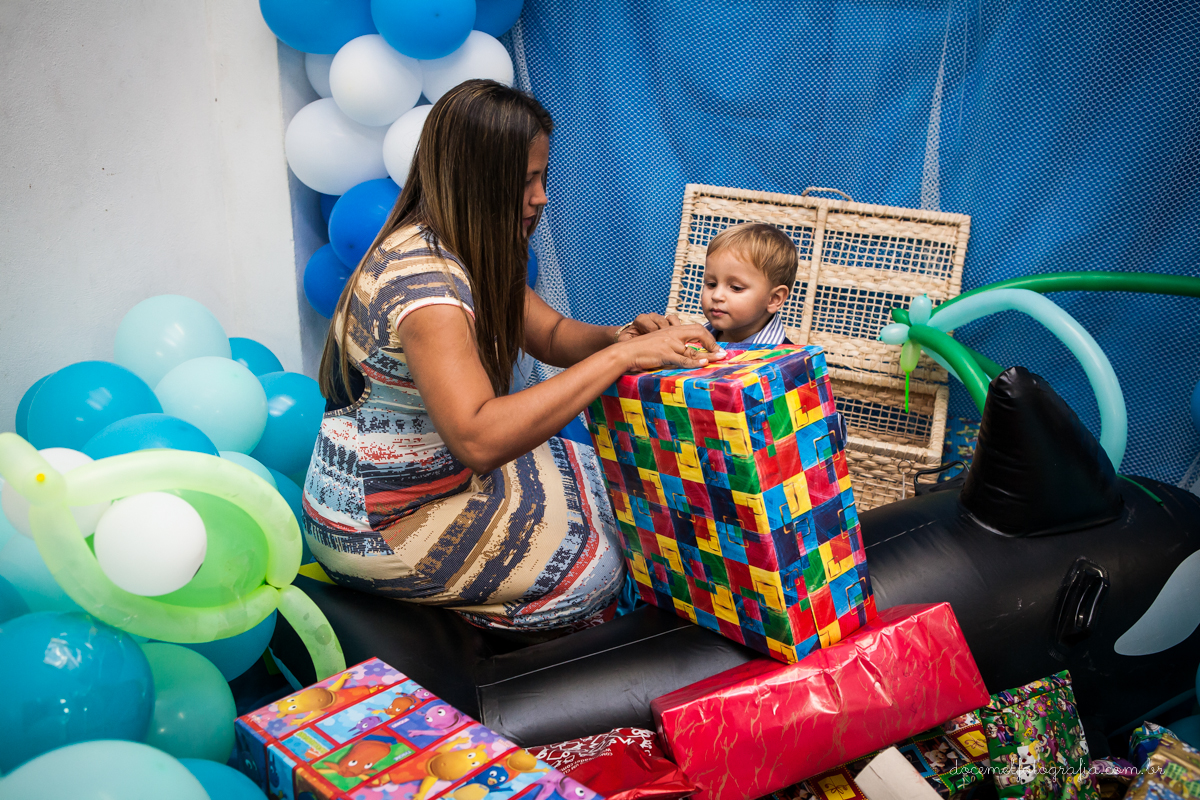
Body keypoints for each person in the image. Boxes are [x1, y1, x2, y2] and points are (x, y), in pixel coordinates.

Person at [303, 80, 719, 636]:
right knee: (596, 570)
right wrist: (621, 361)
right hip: (381, 520)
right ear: (477, 180)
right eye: (526, 182)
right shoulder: (424, 285)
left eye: (543, 178)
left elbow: (551, 333)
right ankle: (461, 628)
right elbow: (478, 440)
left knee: (612, 482)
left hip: (441, 479)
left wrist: (621, 338)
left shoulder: (468, 241)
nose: (541, 197)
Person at [699, 222, 799, 345]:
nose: (716, 296)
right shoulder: (692, 343)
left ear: (774, 299)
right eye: (711, 284)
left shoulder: (789, 360)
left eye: (736, 288)